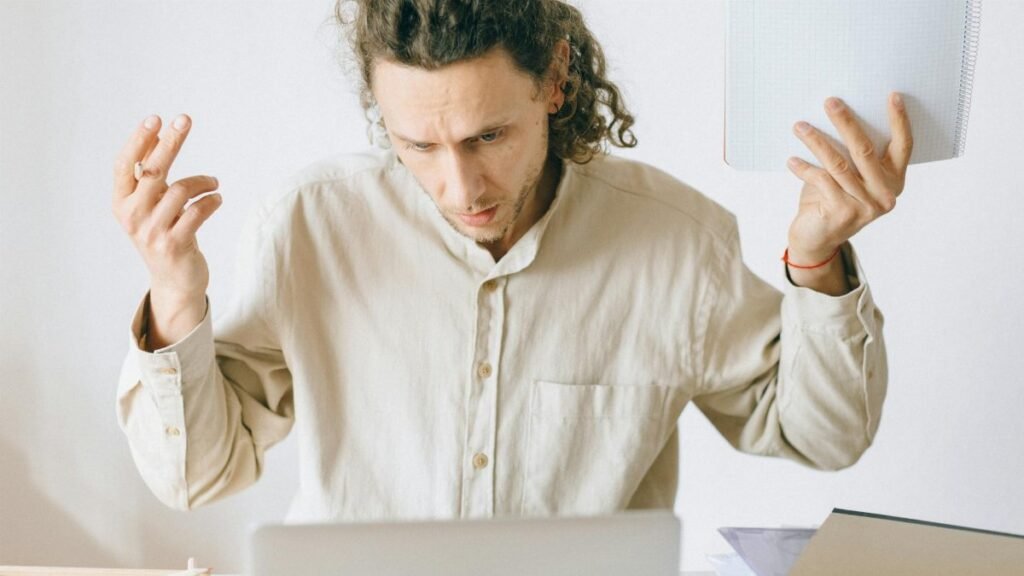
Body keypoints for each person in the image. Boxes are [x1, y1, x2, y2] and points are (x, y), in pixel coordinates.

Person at [114, 0, 911, 520]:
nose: (459, 186)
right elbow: (198, 476)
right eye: (418, 145)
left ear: (554, 82)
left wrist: (816, 261)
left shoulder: (675, 242)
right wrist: (175, 294)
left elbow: (824, 437)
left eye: (487, 137)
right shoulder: (307, 227)